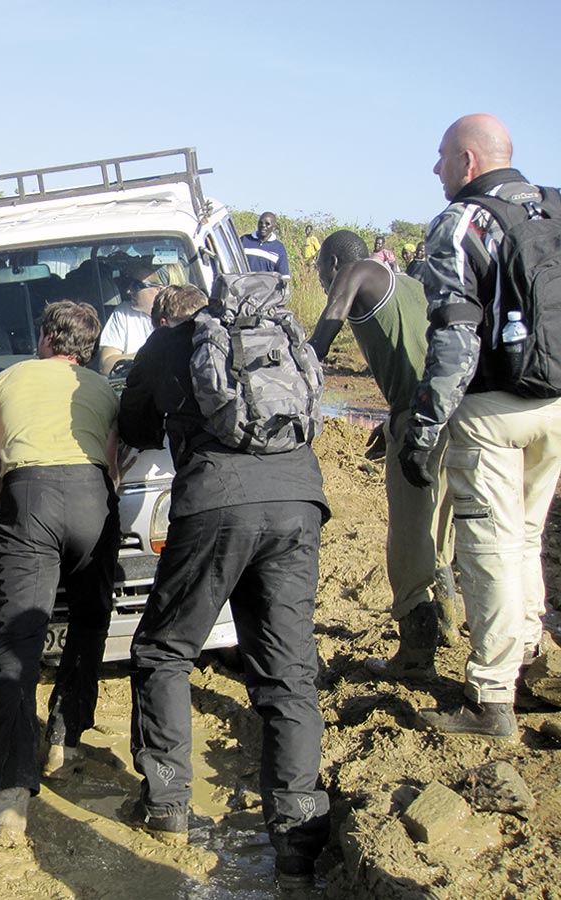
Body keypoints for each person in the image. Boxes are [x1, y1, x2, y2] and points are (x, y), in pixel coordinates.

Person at [119, 283, 330, 885]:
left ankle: (167, 802)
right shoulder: (280, 336)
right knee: (288, 671)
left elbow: (135, 424)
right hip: (298, 500)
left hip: (215, 501)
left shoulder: (168, 344)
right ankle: (297, 839)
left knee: (164, 649)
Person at [399, 113, 561, 739]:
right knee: (526, 538)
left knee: (488, 550)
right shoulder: (551, 207)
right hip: (555, 403)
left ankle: (491, 698)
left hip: (494, 411)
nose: (434, 168)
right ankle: (531, 659)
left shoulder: (462, 221)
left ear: (468, 161)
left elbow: (455, 340)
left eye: (441, 156)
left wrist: (424, 428)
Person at [0, 300, 120, 841]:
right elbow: (112, 468)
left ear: (46, 338)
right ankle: (64, 741)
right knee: (90, 620)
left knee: (17, 639)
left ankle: (10, 794)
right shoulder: (103, 390)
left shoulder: (7, 380)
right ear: (88, 349)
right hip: (93, 500)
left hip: (31, 500)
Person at [309, 230, 456, 677]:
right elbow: (419, 349)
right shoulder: (406, 283)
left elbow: (323, 335)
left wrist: (295, 371)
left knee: (408, 536)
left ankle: (415, 652)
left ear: (334, 263)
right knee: (436, 526)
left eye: (321, 270)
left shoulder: (356, 271)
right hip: (447, 411)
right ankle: (448, 621)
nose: (322, 280)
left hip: (418, 419)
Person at [97, 260, 166, 374]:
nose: (129, 291)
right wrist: (147, 355)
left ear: (160, 290)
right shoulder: (124, 312)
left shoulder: (183, 316)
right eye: (130, 283)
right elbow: (105, 365)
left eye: (137, 285)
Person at [240, 212, 291, 282]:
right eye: (260, 223)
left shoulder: (279, 248)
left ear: (274, 227)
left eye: (267, 224)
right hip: (242, 285)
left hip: (265, 288)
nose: (263, 226)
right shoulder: (244, 240)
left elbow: (284, 277)